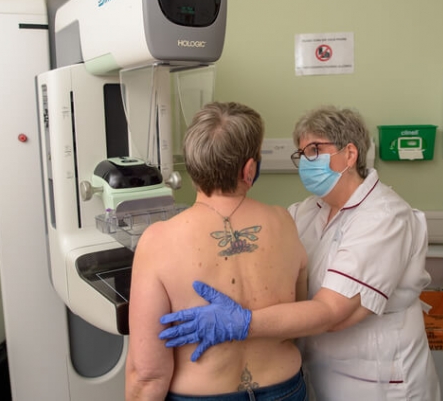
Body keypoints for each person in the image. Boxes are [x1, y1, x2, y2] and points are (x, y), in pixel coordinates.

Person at [159, 106, 441, 401]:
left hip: (378, 381)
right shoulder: (303, 212)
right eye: (302, 153)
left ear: (350, 154)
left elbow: (334, 314)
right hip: (314, 373)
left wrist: (243, 322)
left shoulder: (385, 216)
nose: (306, 161)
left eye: (315, 149)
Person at [125, 101, 309, 400]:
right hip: (284, 389)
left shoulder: (158, 240)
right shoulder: (284, 222)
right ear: (249, 169)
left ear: (193, 164)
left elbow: (147, 374)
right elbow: (294, 325)